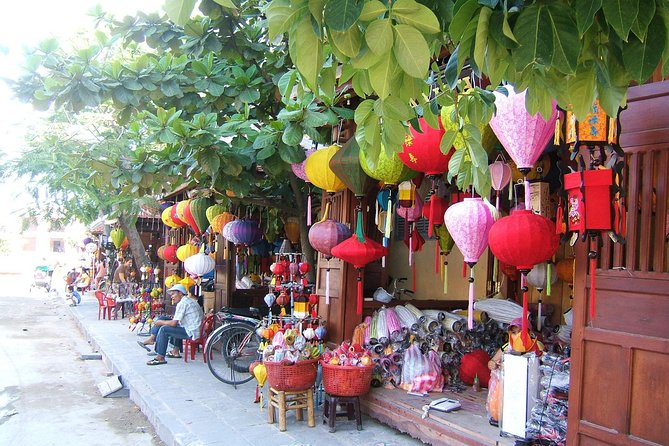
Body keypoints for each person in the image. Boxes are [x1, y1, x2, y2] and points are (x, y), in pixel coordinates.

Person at [141, 284, 204, 366]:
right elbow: (176, 321)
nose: (172, 297)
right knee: (163, 318)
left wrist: (160, 323)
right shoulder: (187, 300)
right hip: (192, 328)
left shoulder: (183, 303)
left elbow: (174, 323)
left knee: (164, 329)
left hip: (192, 332)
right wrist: (163, 321)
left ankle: (160, 357)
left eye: (173, 294)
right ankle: (171, 349)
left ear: (180, 293)